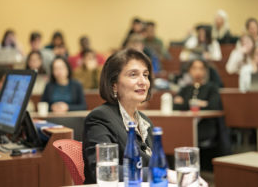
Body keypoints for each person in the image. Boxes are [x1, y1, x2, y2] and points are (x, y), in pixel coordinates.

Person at [83, 49, 208, 185]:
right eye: (133, 75)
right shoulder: (100, 117)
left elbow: (154, 165)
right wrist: (164, 174)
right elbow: (103, 171)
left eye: (145, 75)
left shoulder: (145, 122)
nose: (143, 81)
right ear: (114, 84)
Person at [173, 58, 231, 170]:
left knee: (189, 134)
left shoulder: (211, 88)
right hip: (185, 126)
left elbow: (213, 106)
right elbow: (175, 106)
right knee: (176, 132)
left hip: (205, 126)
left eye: (200, 68)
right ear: (189, 71)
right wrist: (198, 103)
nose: (197, 72)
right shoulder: (185, 89)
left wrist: (185, 103)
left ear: (205, 71)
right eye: (194, 68)